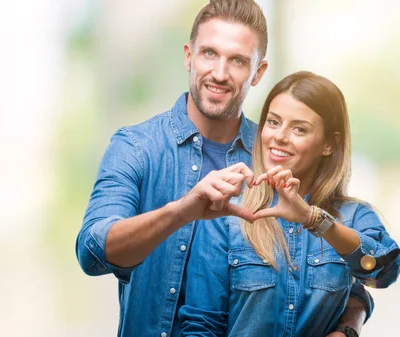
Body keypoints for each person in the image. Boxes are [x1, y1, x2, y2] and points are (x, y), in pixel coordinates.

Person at [75, 1, 374, 336]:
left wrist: (347, 329)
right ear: (189, 56)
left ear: (258, 72)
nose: (219, 73)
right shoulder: (136, 147)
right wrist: (180, 212)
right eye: (209, 54)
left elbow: (341, 271)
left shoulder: (278, 157)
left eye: (237, 61)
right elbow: (92, 253)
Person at [178, 71, 400, 337]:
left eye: (299, 128)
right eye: (273, 122)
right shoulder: (227, 215)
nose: (280, 137)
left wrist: (312, 218)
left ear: (328, 145)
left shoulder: (353, 216)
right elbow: (201, 326)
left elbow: (383, 273)